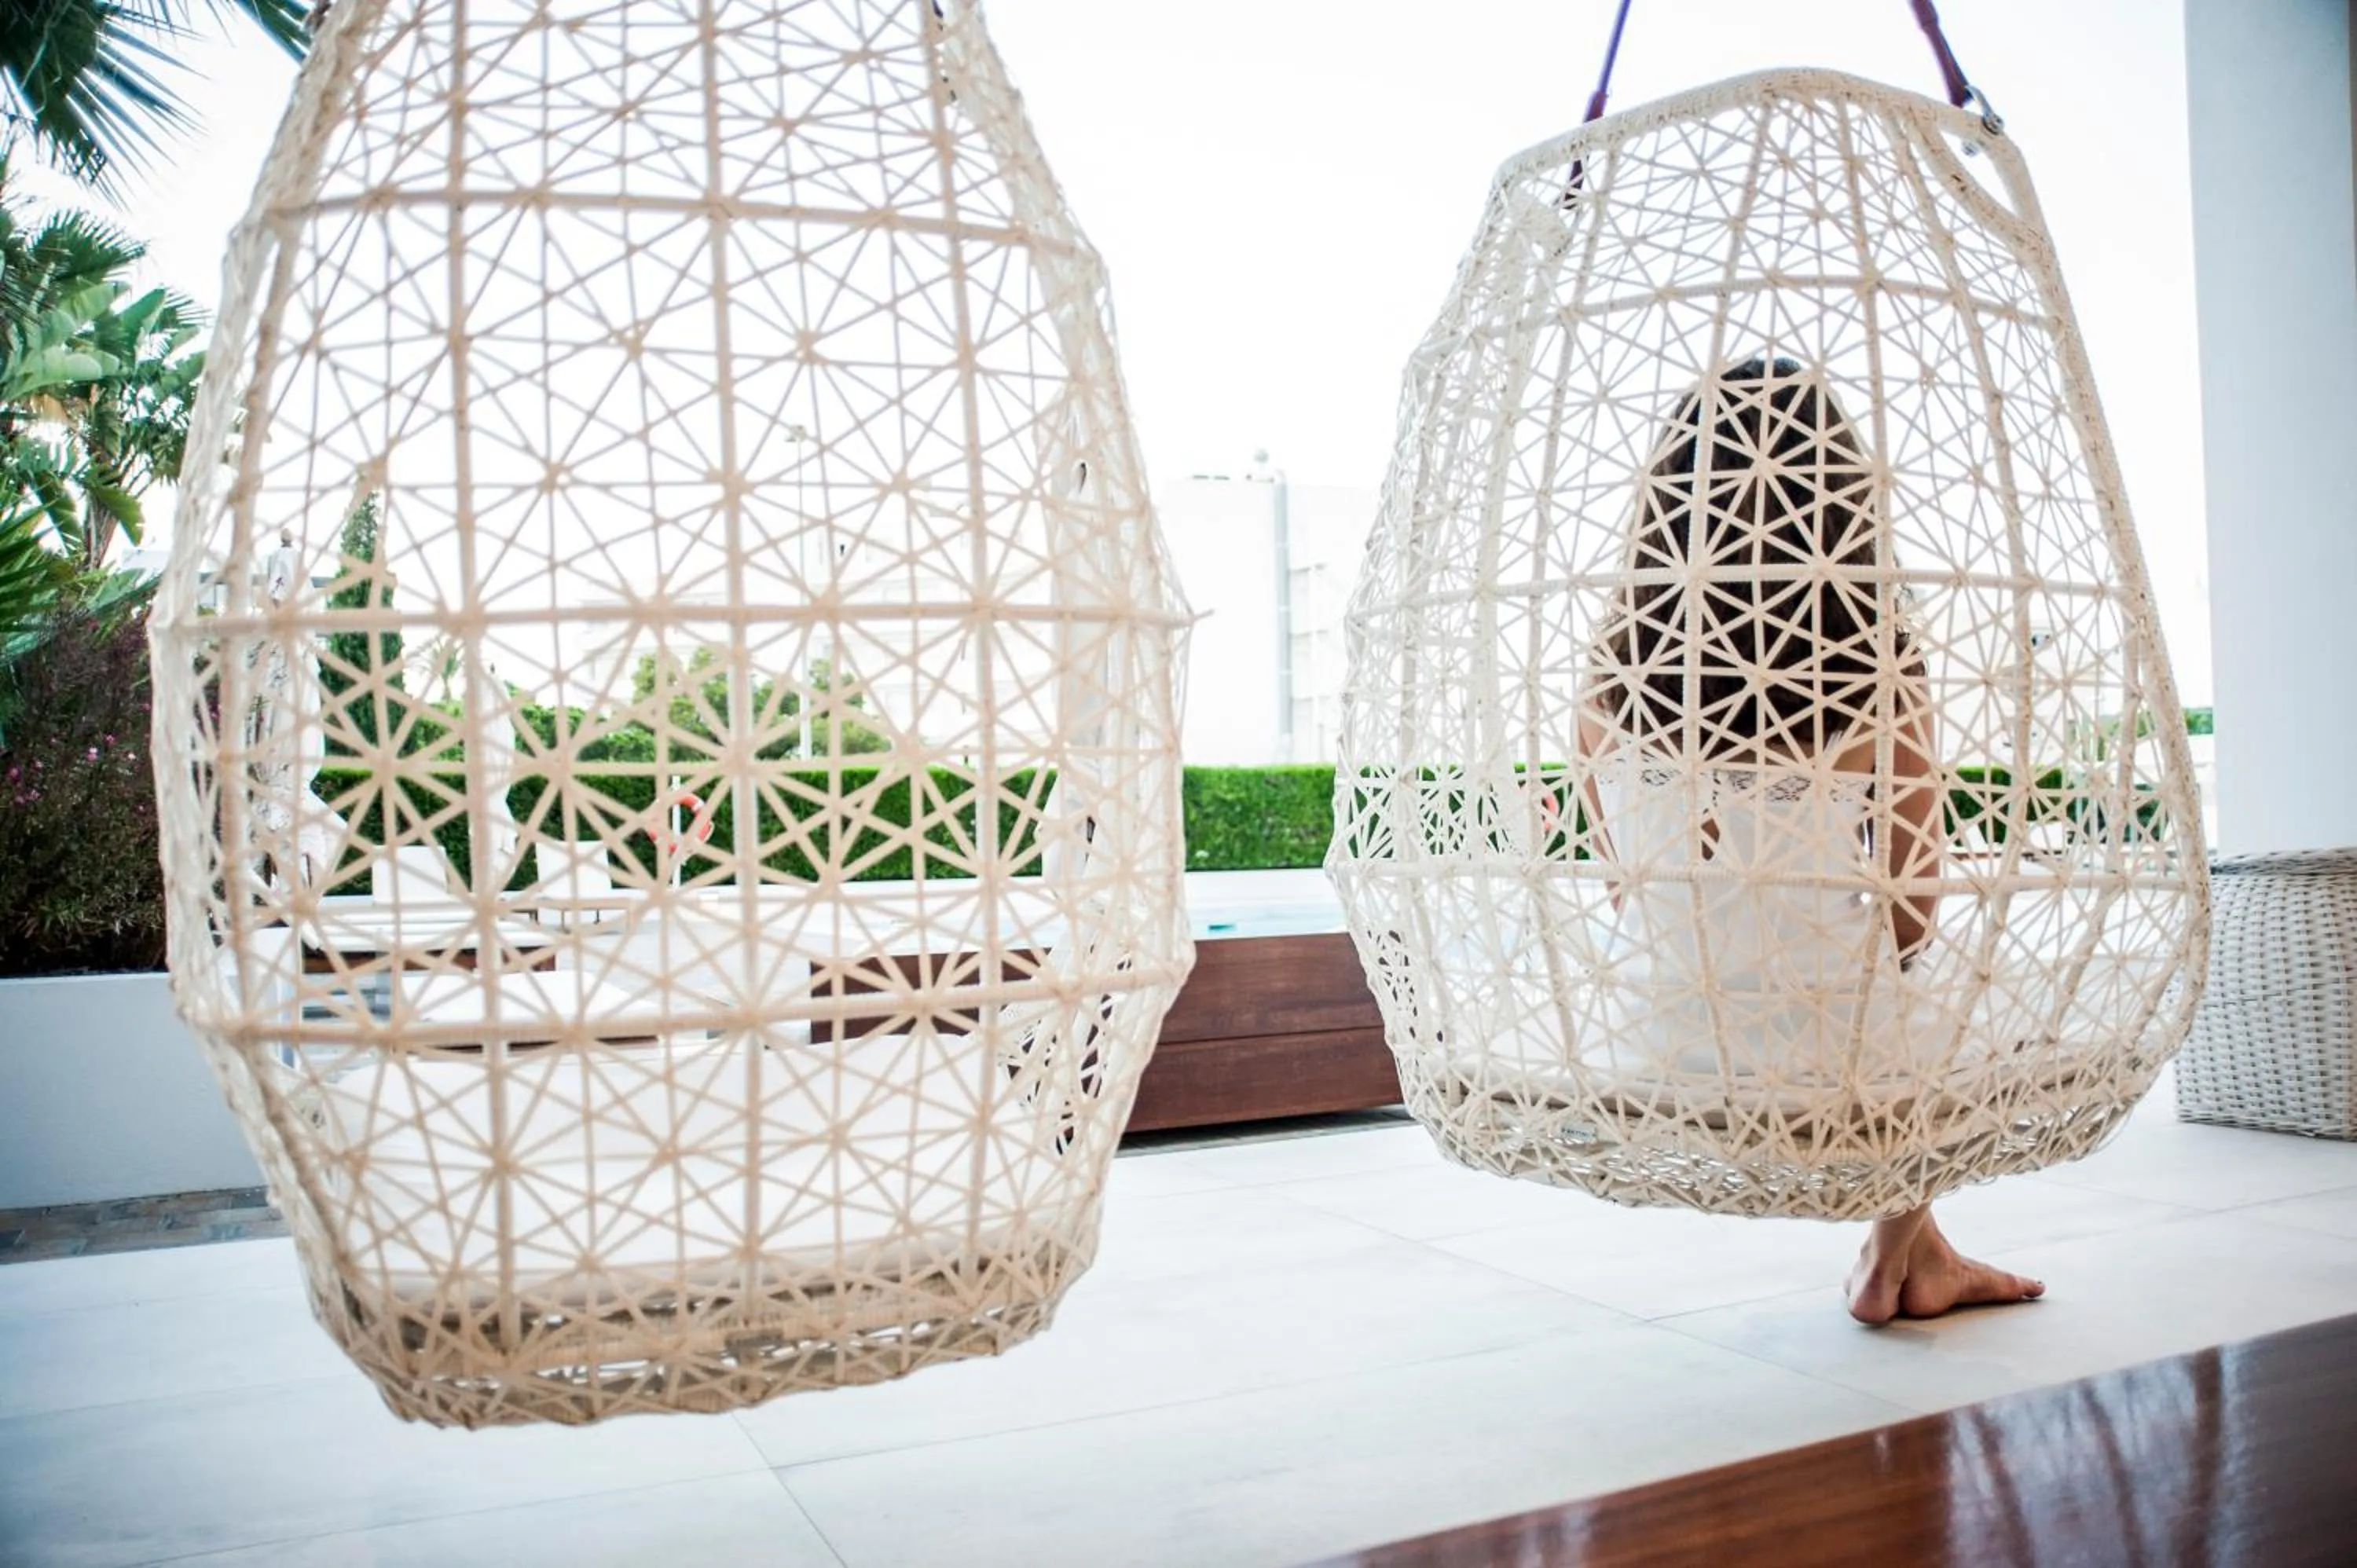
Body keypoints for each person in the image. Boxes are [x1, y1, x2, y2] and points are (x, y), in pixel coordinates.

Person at [1574, 355, 2043, 1324]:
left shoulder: (1606, 686)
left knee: (1871, 1007)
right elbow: (1915, 908)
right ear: (1841, 508)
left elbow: (1627, 889)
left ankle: (1926, 1260)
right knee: (1927, 1005)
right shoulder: (1879, 673)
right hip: (1830, 1045)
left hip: (1658, 1033)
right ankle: (1890, 1255)